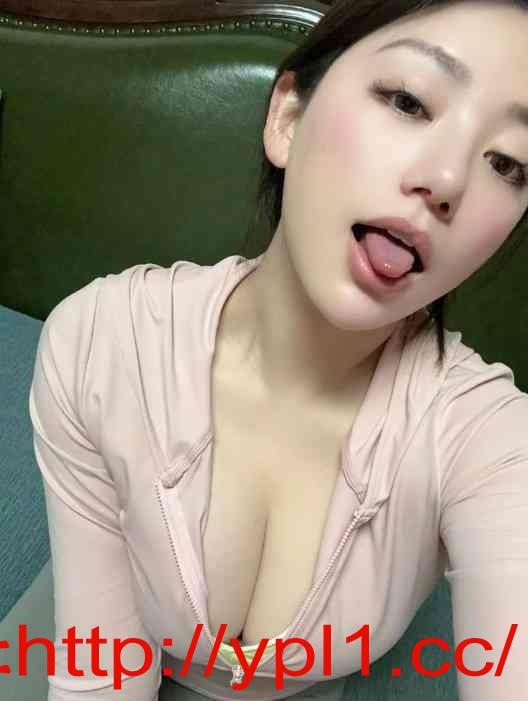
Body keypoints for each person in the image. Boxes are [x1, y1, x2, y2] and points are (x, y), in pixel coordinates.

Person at [29, 0, 528, 699]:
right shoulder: (100, 344)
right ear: (288, 118)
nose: (447, 181)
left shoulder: (491, 440)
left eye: (508, 163)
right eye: (409, 101)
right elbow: (102, 672)